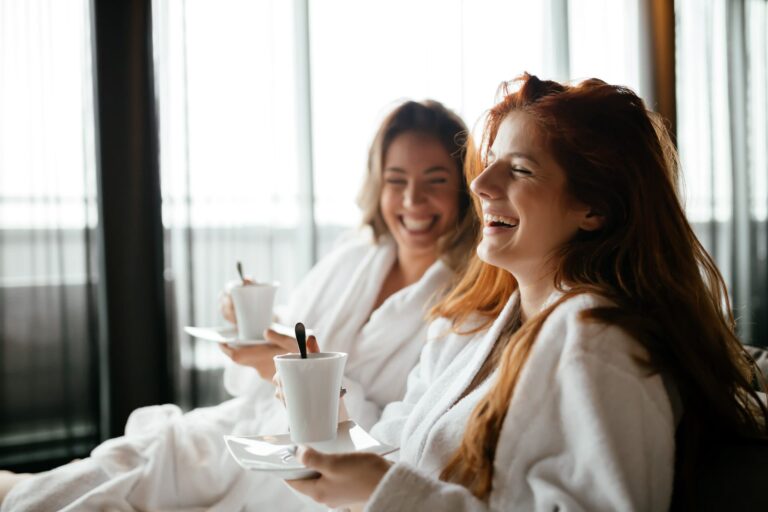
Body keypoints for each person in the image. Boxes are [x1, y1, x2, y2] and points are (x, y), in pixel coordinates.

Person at [286, 74, 768, 511]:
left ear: (593, 209)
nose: (479, 183)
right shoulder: (478, 329)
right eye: (490, 162)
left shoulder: (598, 341)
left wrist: (387, 494)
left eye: (519, 170)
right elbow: (395, 451)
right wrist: (331, 410)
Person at [0, 99, 479, 511]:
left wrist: (291, 377)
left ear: (463, 188)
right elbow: (285, 347)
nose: (413, 199)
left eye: (434, 180)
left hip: (313, 474)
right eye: (397, 180)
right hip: (246, 432)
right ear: (379, 186)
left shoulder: (466, 304)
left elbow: (394, 448)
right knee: (109, 469)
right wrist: (255, 334)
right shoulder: (352, 257)